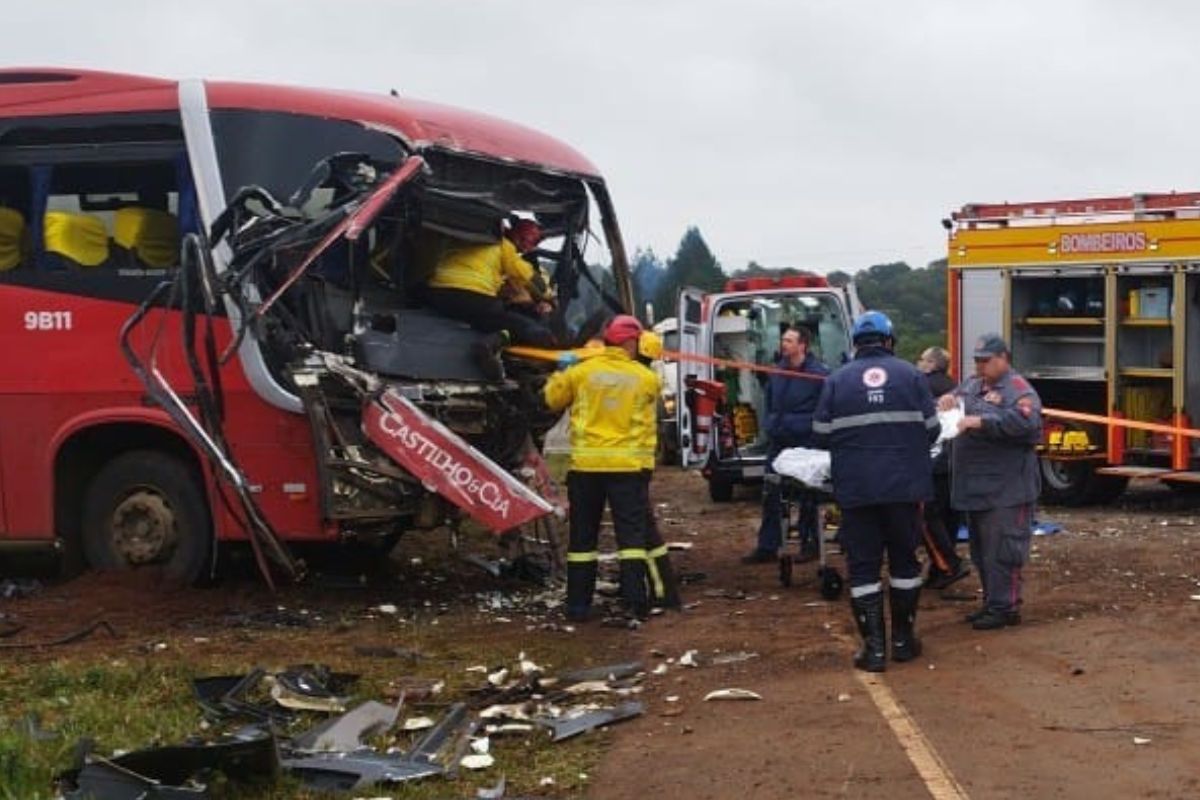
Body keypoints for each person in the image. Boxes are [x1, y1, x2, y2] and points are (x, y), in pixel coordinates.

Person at [812, 311, 939, 672]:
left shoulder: (836, 381)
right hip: (904, 488)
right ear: (889, 340)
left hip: (857, 490)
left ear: (855, 343)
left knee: (863, 567)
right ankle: (903, 642)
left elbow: (819, 434)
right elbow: (932, 429)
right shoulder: (912, 376)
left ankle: (874, 650)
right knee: (905, 562)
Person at [543, 315, 661, 622]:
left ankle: (578, 606)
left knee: (582, 540)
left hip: (587, 468)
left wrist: (562, 370)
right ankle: (634, 602)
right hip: (627, 469)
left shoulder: (581, 372)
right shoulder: (645, 378)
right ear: (630, 342)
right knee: (631, 539)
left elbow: (552, 400)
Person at [939, 333, 1042, 631]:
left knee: (1004, 550)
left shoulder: (1018, 390)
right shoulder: (972, 385)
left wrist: (982, 422)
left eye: (986, 361)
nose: (980, 366)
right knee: (982, 552)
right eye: (977, 361)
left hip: (1007, 489)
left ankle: (1005, 606)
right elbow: (952, 401)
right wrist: (947, 400)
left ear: (1003, 358)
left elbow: (1028, 423)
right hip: (976, 488)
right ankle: (991, 602)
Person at [742, 325, 830, 564]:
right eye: (783, 340)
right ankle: (768, 546)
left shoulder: (819, 375)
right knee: (770, 491)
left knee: (808, 495)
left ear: (802, 345)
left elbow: (824, 409)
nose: (784, 344)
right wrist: (770, 425)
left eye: (789, 340)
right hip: (779, 441)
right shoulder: (777, 372)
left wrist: (814, 436)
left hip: (805, 443)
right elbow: (771, 403)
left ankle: (809, 542)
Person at [424, 219, 556, 377]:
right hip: (472, 295)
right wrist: (550, 298)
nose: (527, 246)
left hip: (438, 293)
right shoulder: (503, 245)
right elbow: (526, 276)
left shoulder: (467, 238)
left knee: (489, 314)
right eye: (528, 240)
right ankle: (488, 346)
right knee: (518, 324)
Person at [916, 347, 970, 590]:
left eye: (922, 359)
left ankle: (948, 564)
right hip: (955, 461)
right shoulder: (954, 386)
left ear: (931, 364)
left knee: (928, 516)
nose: (918, 363)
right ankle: (941, 570)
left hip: (935, 460)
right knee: (948, 516)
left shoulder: (923, 385)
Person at [636, 329, 683, 610]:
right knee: (642, 526)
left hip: (631, 466)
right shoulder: (648, 377)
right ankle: (659, 589)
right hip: (639, 463)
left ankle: (661, 591)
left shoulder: (638, 378)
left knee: (642, 529)